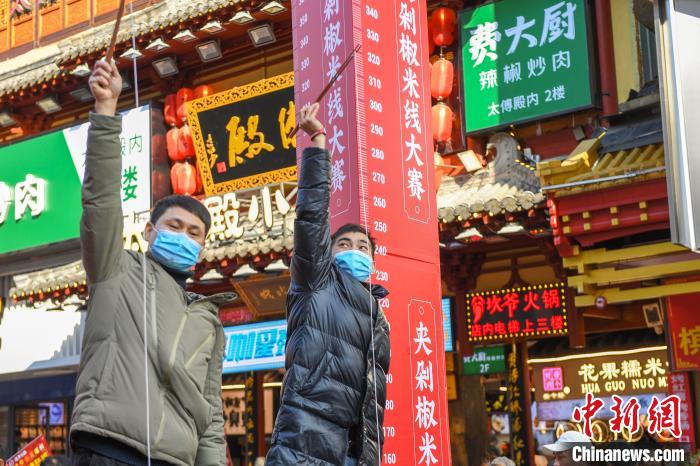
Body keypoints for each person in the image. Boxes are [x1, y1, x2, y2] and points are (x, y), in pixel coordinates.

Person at [70, 59, 235, 466]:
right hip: (107, 447)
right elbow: (100, 202)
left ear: (203, 247)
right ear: (148, 231)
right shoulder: (115, 268)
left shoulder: (209, 321)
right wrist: (106, 110)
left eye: (194, 233)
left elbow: (211, 416)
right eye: (173, 226)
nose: (183, 236)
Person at [265, 103, 391, 466]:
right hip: (305, 439)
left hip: (353, 451)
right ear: (327, 253)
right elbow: (312, 217)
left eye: (363, 247)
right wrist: (318, 143)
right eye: (344, 244)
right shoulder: (317, 280)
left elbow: (372, 401)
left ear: (373, 262)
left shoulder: (377, 316)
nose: (354, 250)